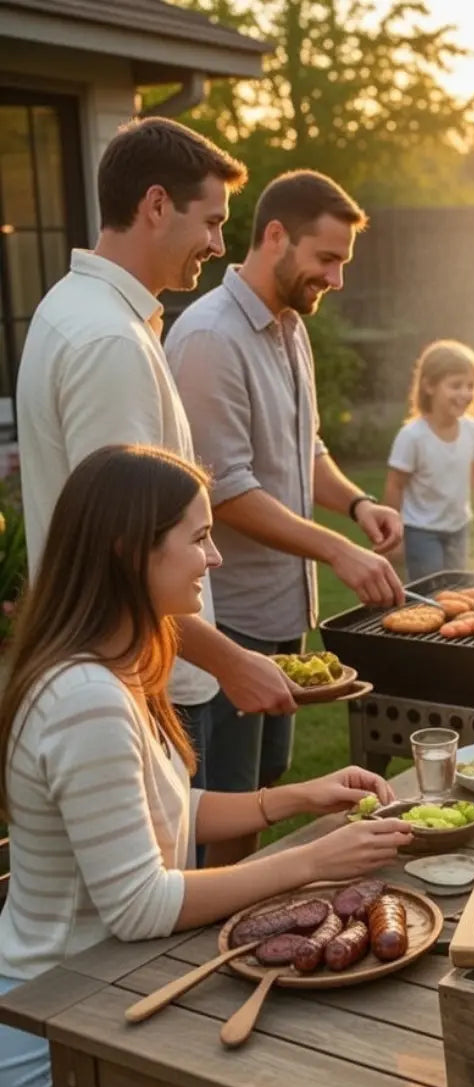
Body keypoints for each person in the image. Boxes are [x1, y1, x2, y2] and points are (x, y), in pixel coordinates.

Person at [0, 444, 411, 1087]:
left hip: (117, 995)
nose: (215, 557)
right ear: (130, 552)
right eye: (196, 537)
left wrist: (289, 800)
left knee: (354, 1065)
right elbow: (140, 905)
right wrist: (314, 861)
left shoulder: (112, 667)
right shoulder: (85, 699)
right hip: (62, 1045)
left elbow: (162, 809)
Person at [14, 115, 295, 801]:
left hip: (127, 666)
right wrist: (233, 661)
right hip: (136, 675)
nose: (218, 244)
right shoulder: (107, 339)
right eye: (211, 220)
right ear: (156, 204)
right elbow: (128, 544)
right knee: (170, 892)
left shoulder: (83, 310)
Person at [166, 170, 405, 847]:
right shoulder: (211, 339)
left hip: (281, 618)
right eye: (326, 258)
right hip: (228, 621)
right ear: (275, 236)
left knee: (266, 789)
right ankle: (204, 946)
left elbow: (304, 450)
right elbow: (223, 490)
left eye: (342, 263)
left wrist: (356, 505)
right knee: (228, 809)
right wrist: (334, 549)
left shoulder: (290, 326)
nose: (336, 278)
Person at [383, 339, 474, 582]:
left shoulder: (472, 430)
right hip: (421, 531)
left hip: (459, 528)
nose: (465, 394)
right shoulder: (413, 436)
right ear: (429, 386)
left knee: (457, 588)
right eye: (456, 385)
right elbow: (394, 486)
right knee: (431, 592)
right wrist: (393, 536)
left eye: (470, 386)